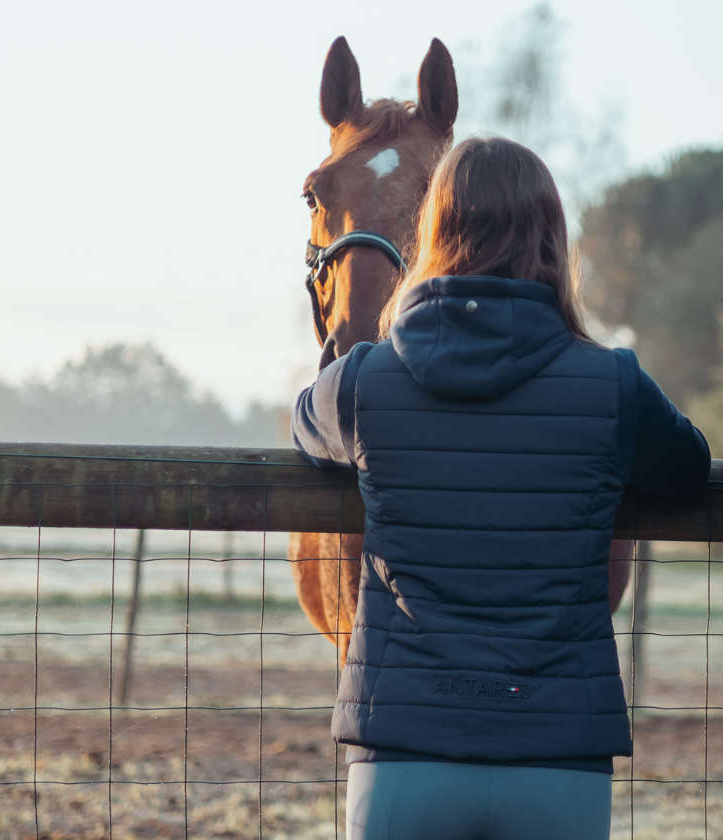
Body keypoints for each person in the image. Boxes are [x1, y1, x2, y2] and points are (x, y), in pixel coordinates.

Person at [291, 137, 710, 840]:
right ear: (551, 239)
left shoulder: (365, 383)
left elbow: (306, 425)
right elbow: (688, 468)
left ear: (432, 234)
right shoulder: (614, 387)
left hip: (403, 752)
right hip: (556, 759)